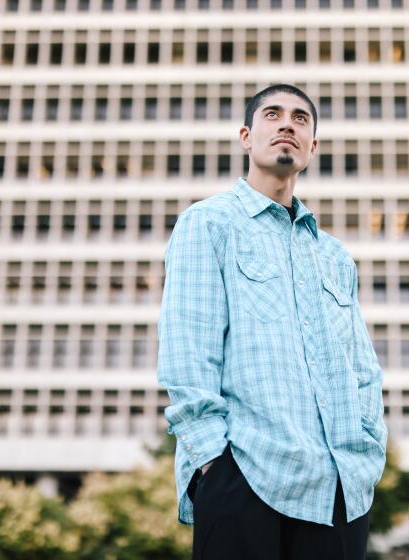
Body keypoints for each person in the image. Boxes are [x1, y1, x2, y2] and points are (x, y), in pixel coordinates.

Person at [157, 83, 387, 560]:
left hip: (342, 490)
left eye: (301, 119)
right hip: (246, 476)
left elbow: (364, 368)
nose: (288, 124)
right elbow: (187, 348)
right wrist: (212, 463)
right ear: (246, 135)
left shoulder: (335, 255)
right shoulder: (208, 224)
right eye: (273, 115)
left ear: (312, 146)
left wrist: (369, 451)